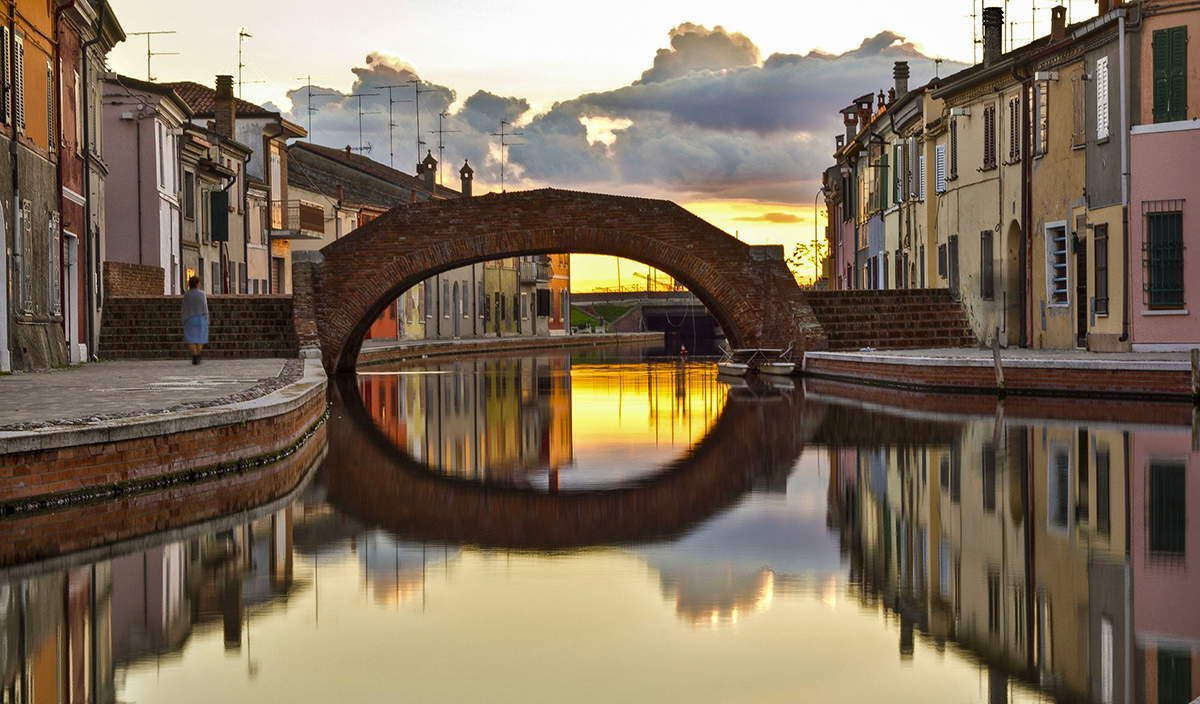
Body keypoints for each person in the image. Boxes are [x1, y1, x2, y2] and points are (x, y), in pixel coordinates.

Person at [182, 275, 209, 365]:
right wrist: (207, 318)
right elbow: (205, 307)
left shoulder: (187, 294)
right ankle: (198, 354)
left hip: (189, 319)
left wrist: (183, 318)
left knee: (191, 339)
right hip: (201, 318)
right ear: (197, 284)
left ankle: (194, 355)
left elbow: (184, 307)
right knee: (200, 338)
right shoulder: (202, 294)